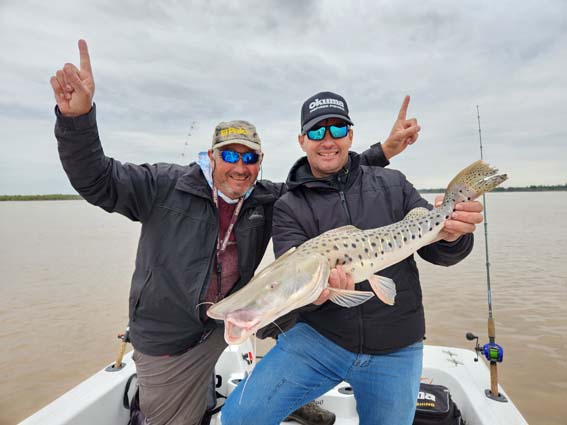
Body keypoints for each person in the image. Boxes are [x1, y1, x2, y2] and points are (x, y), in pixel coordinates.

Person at [49, 39, 420, 425]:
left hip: (238, 315)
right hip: (174, 337)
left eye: (250, 158)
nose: (239, 167)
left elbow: (326, 177)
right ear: (211, 157)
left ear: (259, 162)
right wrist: (77, 120)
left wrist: (384, 152)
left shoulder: (268, 199)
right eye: (229, 155)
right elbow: (97, 180)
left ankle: (288, 395)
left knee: (293, 298)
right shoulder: (161, 186)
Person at [220, 91, 484, 425]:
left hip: (396, 343)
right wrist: (322, 293)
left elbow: (440, 253)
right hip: (319, 338)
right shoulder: (290, 204)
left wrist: (455, 234)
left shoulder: (393, 184)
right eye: (317, 132)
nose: (327, 140)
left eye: (337, 130)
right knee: (240, 417)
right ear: (302, 140)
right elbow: (294, 285)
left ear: (350, 136)